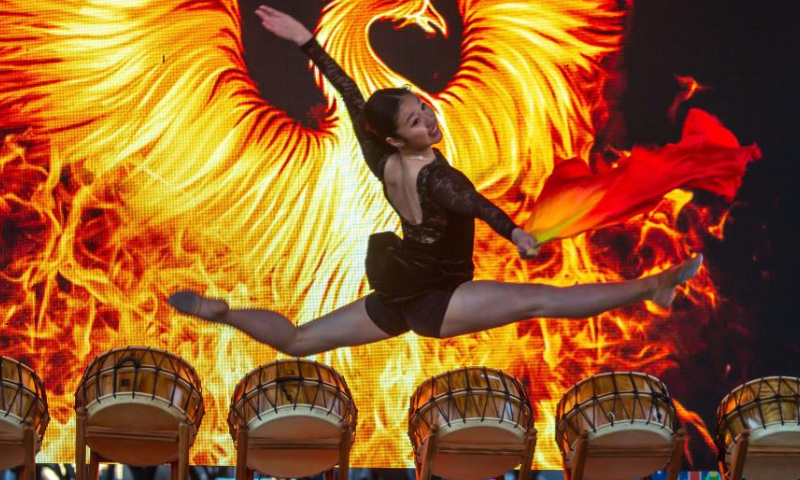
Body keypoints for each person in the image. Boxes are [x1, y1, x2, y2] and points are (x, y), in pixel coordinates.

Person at [168, 5, 703, 357]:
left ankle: (227, 314)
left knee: (300, 340)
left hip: (400, 290)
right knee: (543, 301)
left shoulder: (382, 157)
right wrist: (515, 232)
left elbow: (350, 92)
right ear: (400, 138)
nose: (430, 119)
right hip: (437, 297)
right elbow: (472, 203)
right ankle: (654, 287)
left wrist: (307, 41)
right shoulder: (436, 177)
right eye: (418, 121)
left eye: (425, 108)